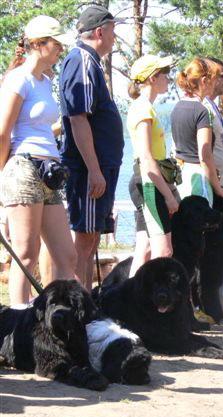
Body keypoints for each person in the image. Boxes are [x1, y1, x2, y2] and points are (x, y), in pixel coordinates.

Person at [0, 15, 77, 304]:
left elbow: (41, 125)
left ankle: (57, 318)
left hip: (48, 171)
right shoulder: (18, 79)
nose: (60, 49)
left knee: (65, 254)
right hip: (23, 168)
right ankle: (17, 326)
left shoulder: (45, 81)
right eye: (56, 43)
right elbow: (2, 132)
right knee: (25, 253)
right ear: (37, 44)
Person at [59, 5, 124, 290]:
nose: (114, 38)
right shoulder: (82, 60)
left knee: (92, 236)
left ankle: (87, 307)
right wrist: (94, 170)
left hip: (102, 166)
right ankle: (77, 310)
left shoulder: (92, 63)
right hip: (89, 170)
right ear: (100, 31)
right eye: (112, 31)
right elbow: (78, 118)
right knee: (84, 240)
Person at [126, 54, 177, 271]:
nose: (169, 78)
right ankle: (153, 302)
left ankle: (130, 302)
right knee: (163, 252)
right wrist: (168, 196)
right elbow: (146, 158)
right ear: (153, 78)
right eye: (165, 74)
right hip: (149, 185)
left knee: (144, 251)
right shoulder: (143, 109)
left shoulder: (146, 107)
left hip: (148, 183)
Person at [171, 58, 223, 205]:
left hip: (182, 177)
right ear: (204, 81)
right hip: (198, 179)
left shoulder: (177, 107)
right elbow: (205, 155)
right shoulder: (201, 111)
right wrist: (218, 189)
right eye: (214, 79)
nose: (216, 83)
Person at [203, 57, 223, 187]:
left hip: (220, 184)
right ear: (209, 78)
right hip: (209, 184)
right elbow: (203, 151)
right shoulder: (202, 107)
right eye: (221, 76)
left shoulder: (212, 106)